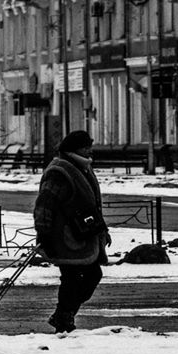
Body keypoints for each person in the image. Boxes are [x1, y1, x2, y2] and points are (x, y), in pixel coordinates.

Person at [32, 130, 112, 332]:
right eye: (85, 147)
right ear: (74, 149)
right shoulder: (60, 171)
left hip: (82, 236)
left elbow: (91, 205)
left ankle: (63, 314)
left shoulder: (82, 168)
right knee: (73, 278)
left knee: (90, 276)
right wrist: (44, 234)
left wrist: (102, 231)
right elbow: (45, 204)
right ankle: (64, 317)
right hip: (65, 237)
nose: (89, 150)